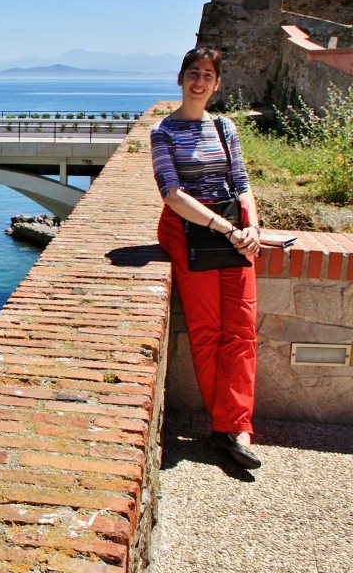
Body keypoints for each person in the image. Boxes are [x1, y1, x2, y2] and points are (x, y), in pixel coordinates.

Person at [150, 46, 263, 470]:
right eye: (193, 73)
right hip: (189, 231)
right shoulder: (163, 131)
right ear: (181, 79)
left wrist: (252, 228)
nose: (199, 81)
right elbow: (172, 193)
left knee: (242, 329)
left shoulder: (224, 127)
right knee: (207, 329)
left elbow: (242, 183)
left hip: (231, 230)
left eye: (208, 75)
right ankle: (229, 425)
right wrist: (226, 229)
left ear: (217, 84)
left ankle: (235, 427)